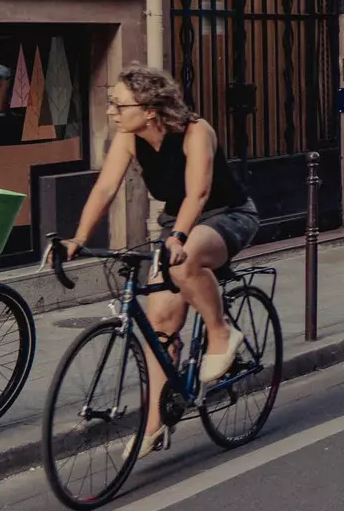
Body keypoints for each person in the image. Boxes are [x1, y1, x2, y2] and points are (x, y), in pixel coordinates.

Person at [59, 65, 261, 457]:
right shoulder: (129, 138)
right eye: (111, 103)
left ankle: (221, 333)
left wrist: (179, 239)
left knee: (182, 264)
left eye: (119, 104)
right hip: (177, 223)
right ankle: (153, 426)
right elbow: (105, 188)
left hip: (227, 214)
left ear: (150, 108)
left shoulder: (195, 131)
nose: (112, 112)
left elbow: (198, 194)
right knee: (159, 326)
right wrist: (80, 237)